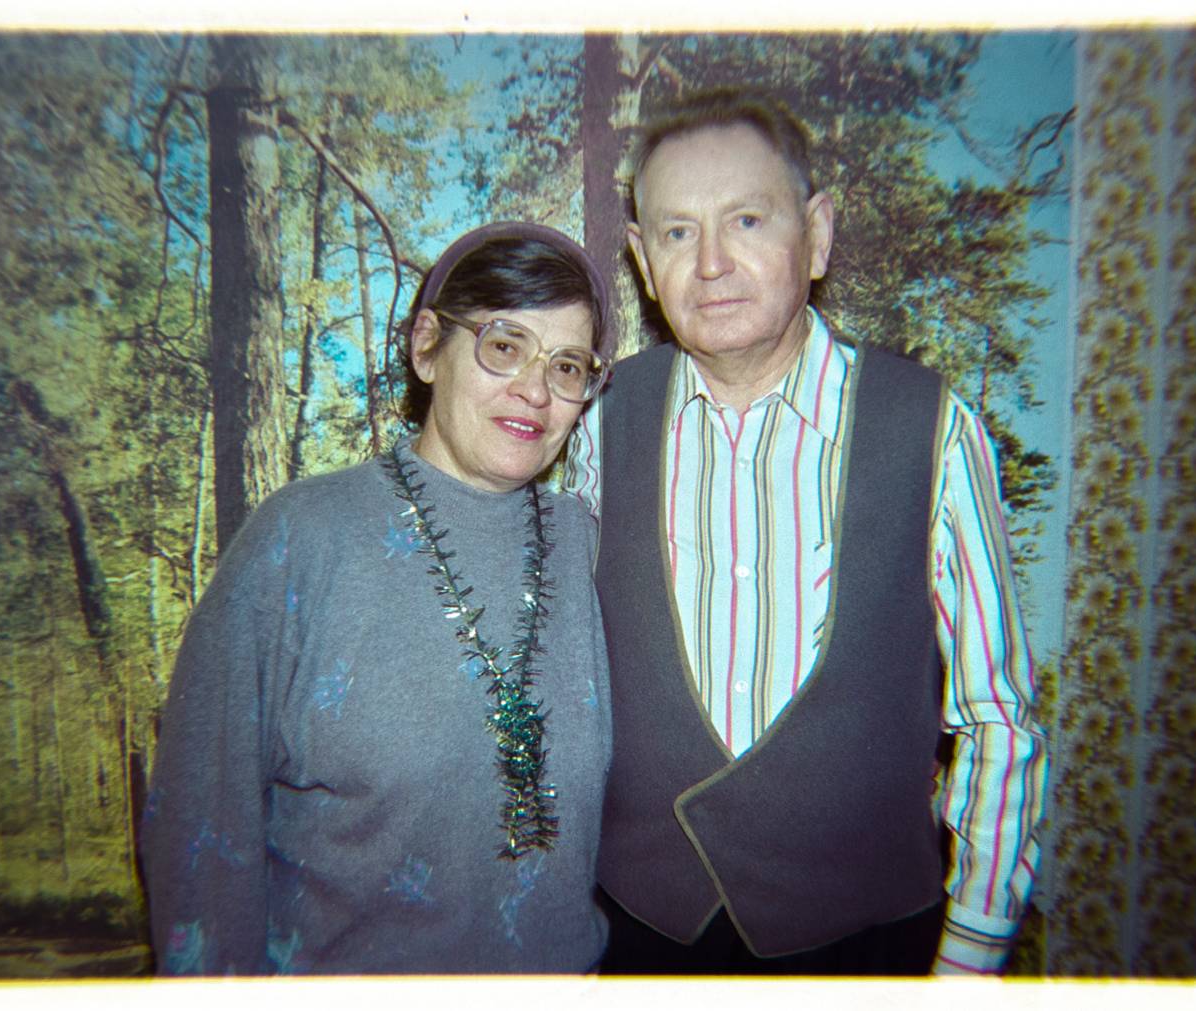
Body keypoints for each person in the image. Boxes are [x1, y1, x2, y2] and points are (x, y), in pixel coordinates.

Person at [563, 88, 1049, 976]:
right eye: (677, 232)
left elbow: (998, 717)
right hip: (640, 939)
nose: (711, 263)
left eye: (747, 220)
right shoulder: (598, 422)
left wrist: (971, 959)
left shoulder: (932, 428)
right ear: (642, 261)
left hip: (869, 949)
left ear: (817, 235)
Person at [141, 222, 617, 974]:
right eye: (504, 345)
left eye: (566, 366)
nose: (535, 390)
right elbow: (201, 827)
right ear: (427, 346)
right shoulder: (298, 541)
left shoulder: (585, 543)